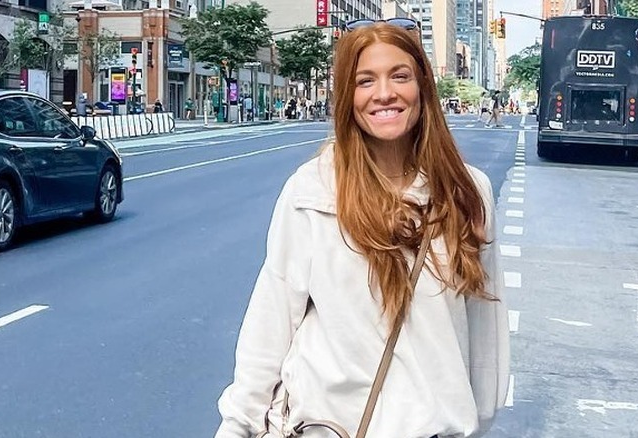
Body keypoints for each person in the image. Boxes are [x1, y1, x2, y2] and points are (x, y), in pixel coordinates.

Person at [215, 19, 509, 438]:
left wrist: (474, 419)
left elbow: (485, 329)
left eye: (400, 76)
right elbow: (272, 318)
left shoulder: (467, 192)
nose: (384, 93)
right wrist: (237, 426)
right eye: (365, 81)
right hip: (329, 427)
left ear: (423, 88)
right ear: (347, 98)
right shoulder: (313, 190)